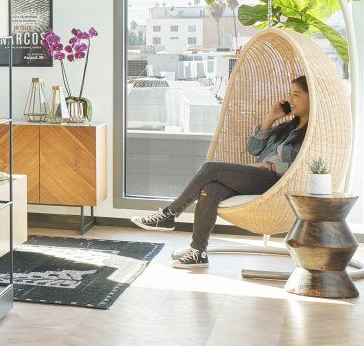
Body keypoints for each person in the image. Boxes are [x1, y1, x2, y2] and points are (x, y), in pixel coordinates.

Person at [133, 74, 311, 270]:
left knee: (210, 168)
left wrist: (270, 167)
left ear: (311, 99)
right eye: (289, 94)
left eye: (296, 95)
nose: (290, 99)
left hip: (276, 183)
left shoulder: (311, 135)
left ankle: (169, 215)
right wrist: (271, 117)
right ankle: (198, 252)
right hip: (258, 177)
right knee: (210, 190)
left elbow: (303, 167)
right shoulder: (286, 128)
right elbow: (253, 149)